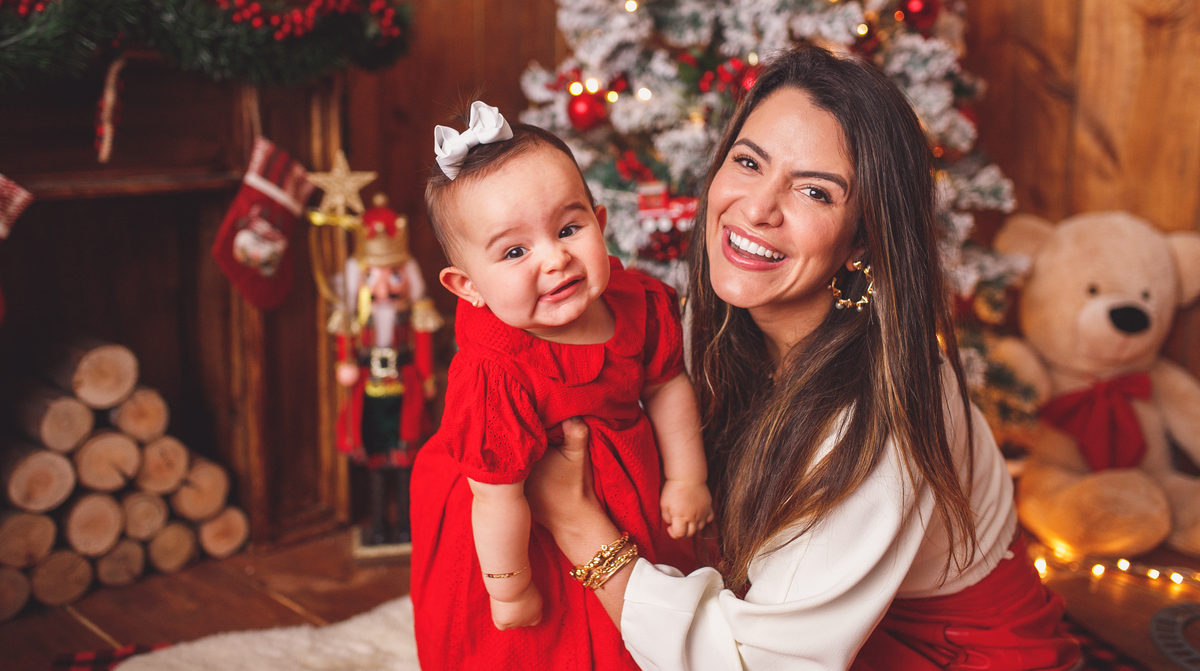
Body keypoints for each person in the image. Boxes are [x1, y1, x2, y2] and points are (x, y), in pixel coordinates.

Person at [525, 46, 1082, 671]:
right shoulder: (712, 318)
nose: (758, 209)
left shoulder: (882, 407)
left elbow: (759, 665)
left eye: (815, 192)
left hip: (947, 657)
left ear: (862, 240)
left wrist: (576, 524)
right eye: (748, 162)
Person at [409, 101, 713, 670]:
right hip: (510, 521)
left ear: (601, 222)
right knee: (538, 645)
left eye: (569, 229)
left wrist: (686, 478)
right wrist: (509, 589)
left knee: (633, 630)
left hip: (627, 487)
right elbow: (495, 499)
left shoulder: (637, 302)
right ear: (467, 286)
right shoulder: (494, 370)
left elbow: (667, 387)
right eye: (515, 251)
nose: (555, 259)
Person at [333, 195, 442, 546]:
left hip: (404, 393)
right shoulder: (354, 318)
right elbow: (344, 350)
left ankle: (408, 525)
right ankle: (379, 524)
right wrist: (346, 365)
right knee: (377, 466)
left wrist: (426, 378)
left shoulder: (414, 314)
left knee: (406, 463)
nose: (383, 289)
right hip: (369, 398)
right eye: (371, 277)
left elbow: (422, 347)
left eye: (394, 275)